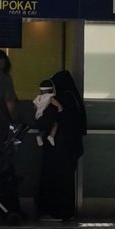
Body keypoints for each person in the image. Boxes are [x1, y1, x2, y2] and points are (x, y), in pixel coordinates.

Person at [35, 69, 86, 221]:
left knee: (56, 180)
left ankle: (56, 211)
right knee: (66, 181)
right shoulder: (73, 98)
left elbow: (47, 120)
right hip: (71, 146)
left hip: (59, 148)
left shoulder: (60, 99)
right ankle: (65, 211)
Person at [32, 78, 62, 147]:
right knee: (55, 124)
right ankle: (51, 136)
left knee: (44, 129)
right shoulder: (51, 97)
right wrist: (60, 108)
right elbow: (57, 105)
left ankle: (40, 136)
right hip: (45, 117)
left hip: (38, 118)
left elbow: (34, 107)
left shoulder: (38, 97)